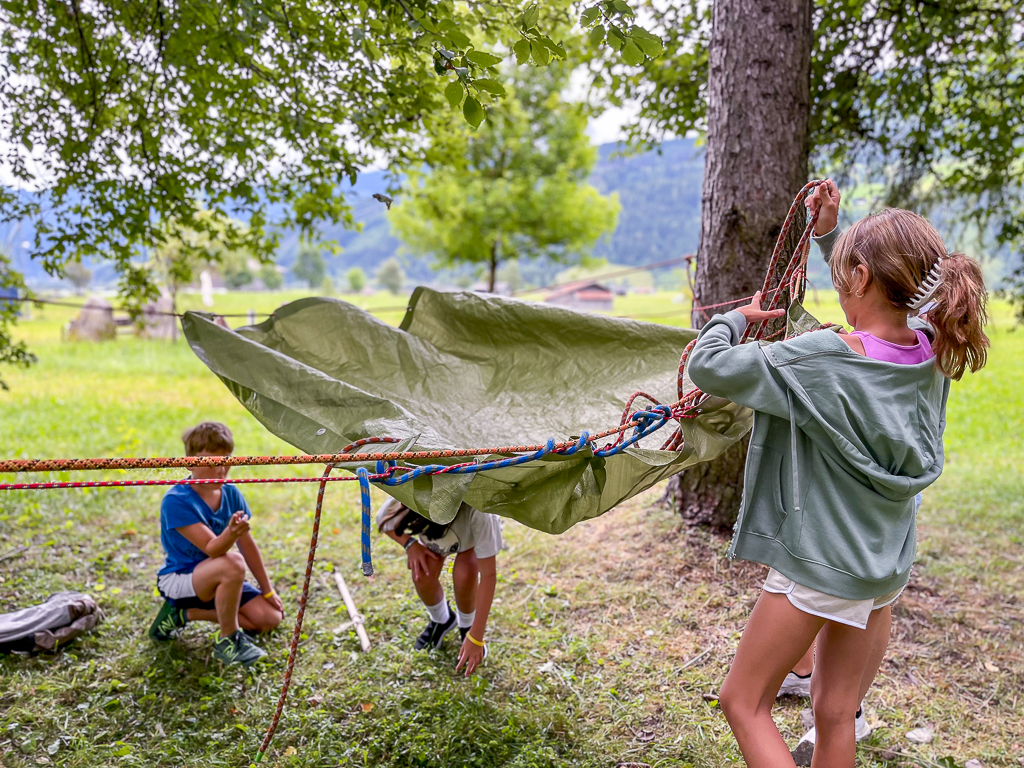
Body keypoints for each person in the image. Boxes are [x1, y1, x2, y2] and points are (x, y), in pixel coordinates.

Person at [687, 179, 989, 768]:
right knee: (834, 713)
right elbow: (884, 308)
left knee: (743, 702)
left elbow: (709, 366)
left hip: (820, 565)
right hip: (882, 569)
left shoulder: (820, 359)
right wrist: (829, 238)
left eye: (846, 271)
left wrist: (734, 319)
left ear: (861, 277)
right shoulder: (929, 351)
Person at [148, 422, 284, 666]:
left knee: (270, 618)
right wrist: (230, 533)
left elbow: (248, 545)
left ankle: (186, 615)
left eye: (226, 461)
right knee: (232, 563)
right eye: (210, 463)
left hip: (219, 577)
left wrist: (268, 589)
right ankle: (228, 640)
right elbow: (212, 548)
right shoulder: (176, 500)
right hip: (181, 580)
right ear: (189, 462)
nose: (220, 470)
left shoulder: (231, 494)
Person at [377, 497, 503, 676]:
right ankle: (442, 620)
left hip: (470, 541)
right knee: (423, 573)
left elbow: (488, 575)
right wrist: (410, 544)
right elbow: (383, 520)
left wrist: (476, 636)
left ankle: (466, 625)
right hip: (435, 537)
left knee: (465, 573)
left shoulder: (480, 510)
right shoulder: (414, 487)